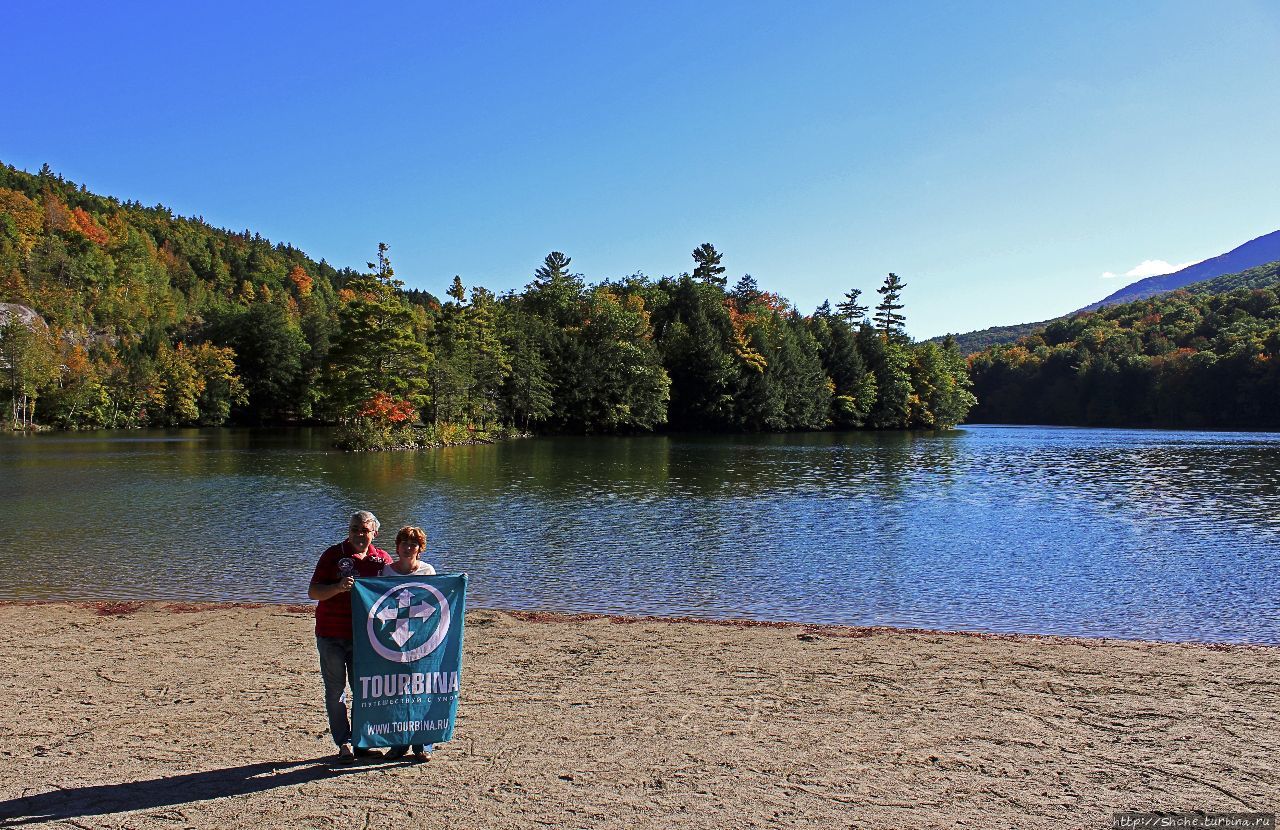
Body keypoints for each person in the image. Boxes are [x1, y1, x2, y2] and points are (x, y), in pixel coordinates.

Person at [309, 510, 393, 763]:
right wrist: (336, 587)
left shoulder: (382, 560)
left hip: (365, 638)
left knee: (363, 691)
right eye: (355, 528)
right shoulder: (333, 555)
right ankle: (343, 742)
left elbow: (395, 593)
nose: (359, 534)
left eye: (364, 530)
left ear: (374, 533)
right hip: (331, 634)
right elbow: (313, 592)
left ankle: (361, 742)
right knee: (335, 692)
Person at [380, 525, 436, 763]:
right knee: (396, 689)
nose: (408, 547)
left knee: (421, 687)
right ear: (397, 546)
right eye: (404, 543)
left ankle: (422, 744)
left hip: (421, 637)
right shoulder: (386, 571)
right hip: (395, 637)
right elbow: (379, 602)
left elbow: (435, 602)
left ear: (420, 549)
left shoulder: (428, 571)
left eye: (413, 544)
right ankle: (398, 743)